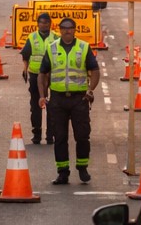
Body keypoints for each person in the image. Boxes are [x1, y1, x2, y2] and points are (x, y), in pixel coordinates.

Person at [38, 18, 100, 184]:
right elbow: (42, 73)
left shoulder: (83, 47)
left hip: (79, 99)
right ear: (59, 30)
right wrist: (42, 95)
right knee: (59, 137)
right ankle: (63, 172)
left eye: (70, 28)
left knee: (82, 135)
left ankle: (82, 168)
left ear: (74, 30)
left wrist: (90, 90)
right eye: (64, 28)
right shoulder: (51, 48)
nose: (67, 30)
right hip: (57, 99)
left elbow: (95, 70)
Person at [20, 12, 56, 144]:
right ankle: (37, 134)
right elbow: (25, 55)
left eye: (46, 22)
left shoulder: (55, 38)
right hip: (35, 74)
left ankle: (50, 135)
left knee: (52, 105)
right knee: (35, 105)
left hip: (52, 75)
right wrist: (25, 69)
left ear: (50, 24)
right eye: (41, 22)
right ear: (38, 24)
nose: (44, 25)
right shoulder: (32, 37)